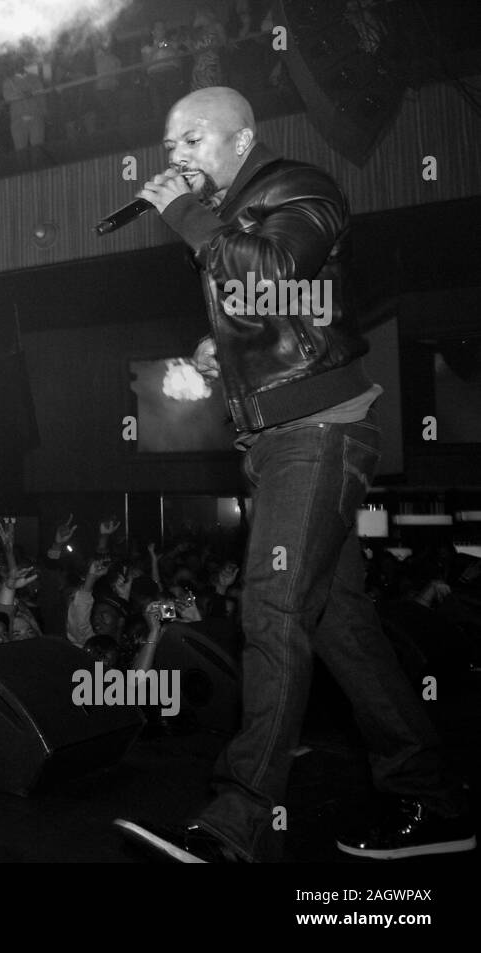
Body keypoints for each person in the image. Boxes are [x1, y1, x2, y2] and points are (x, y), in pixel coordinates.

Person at [114, 86, 474, 863]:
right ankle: (433, 799)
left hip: (317, 432)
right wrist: (225, 351)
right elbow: (269, 303)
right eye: (169, 146)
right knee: (340, 622)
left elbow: (273, 270)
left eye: (190, 141)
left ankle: (235, 822)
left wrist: (182, 215)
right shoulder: (233, 210)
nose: (173, 158)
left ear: (242, 139)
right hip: (284, 435)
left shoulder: (300, 185)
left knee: (270, 609)